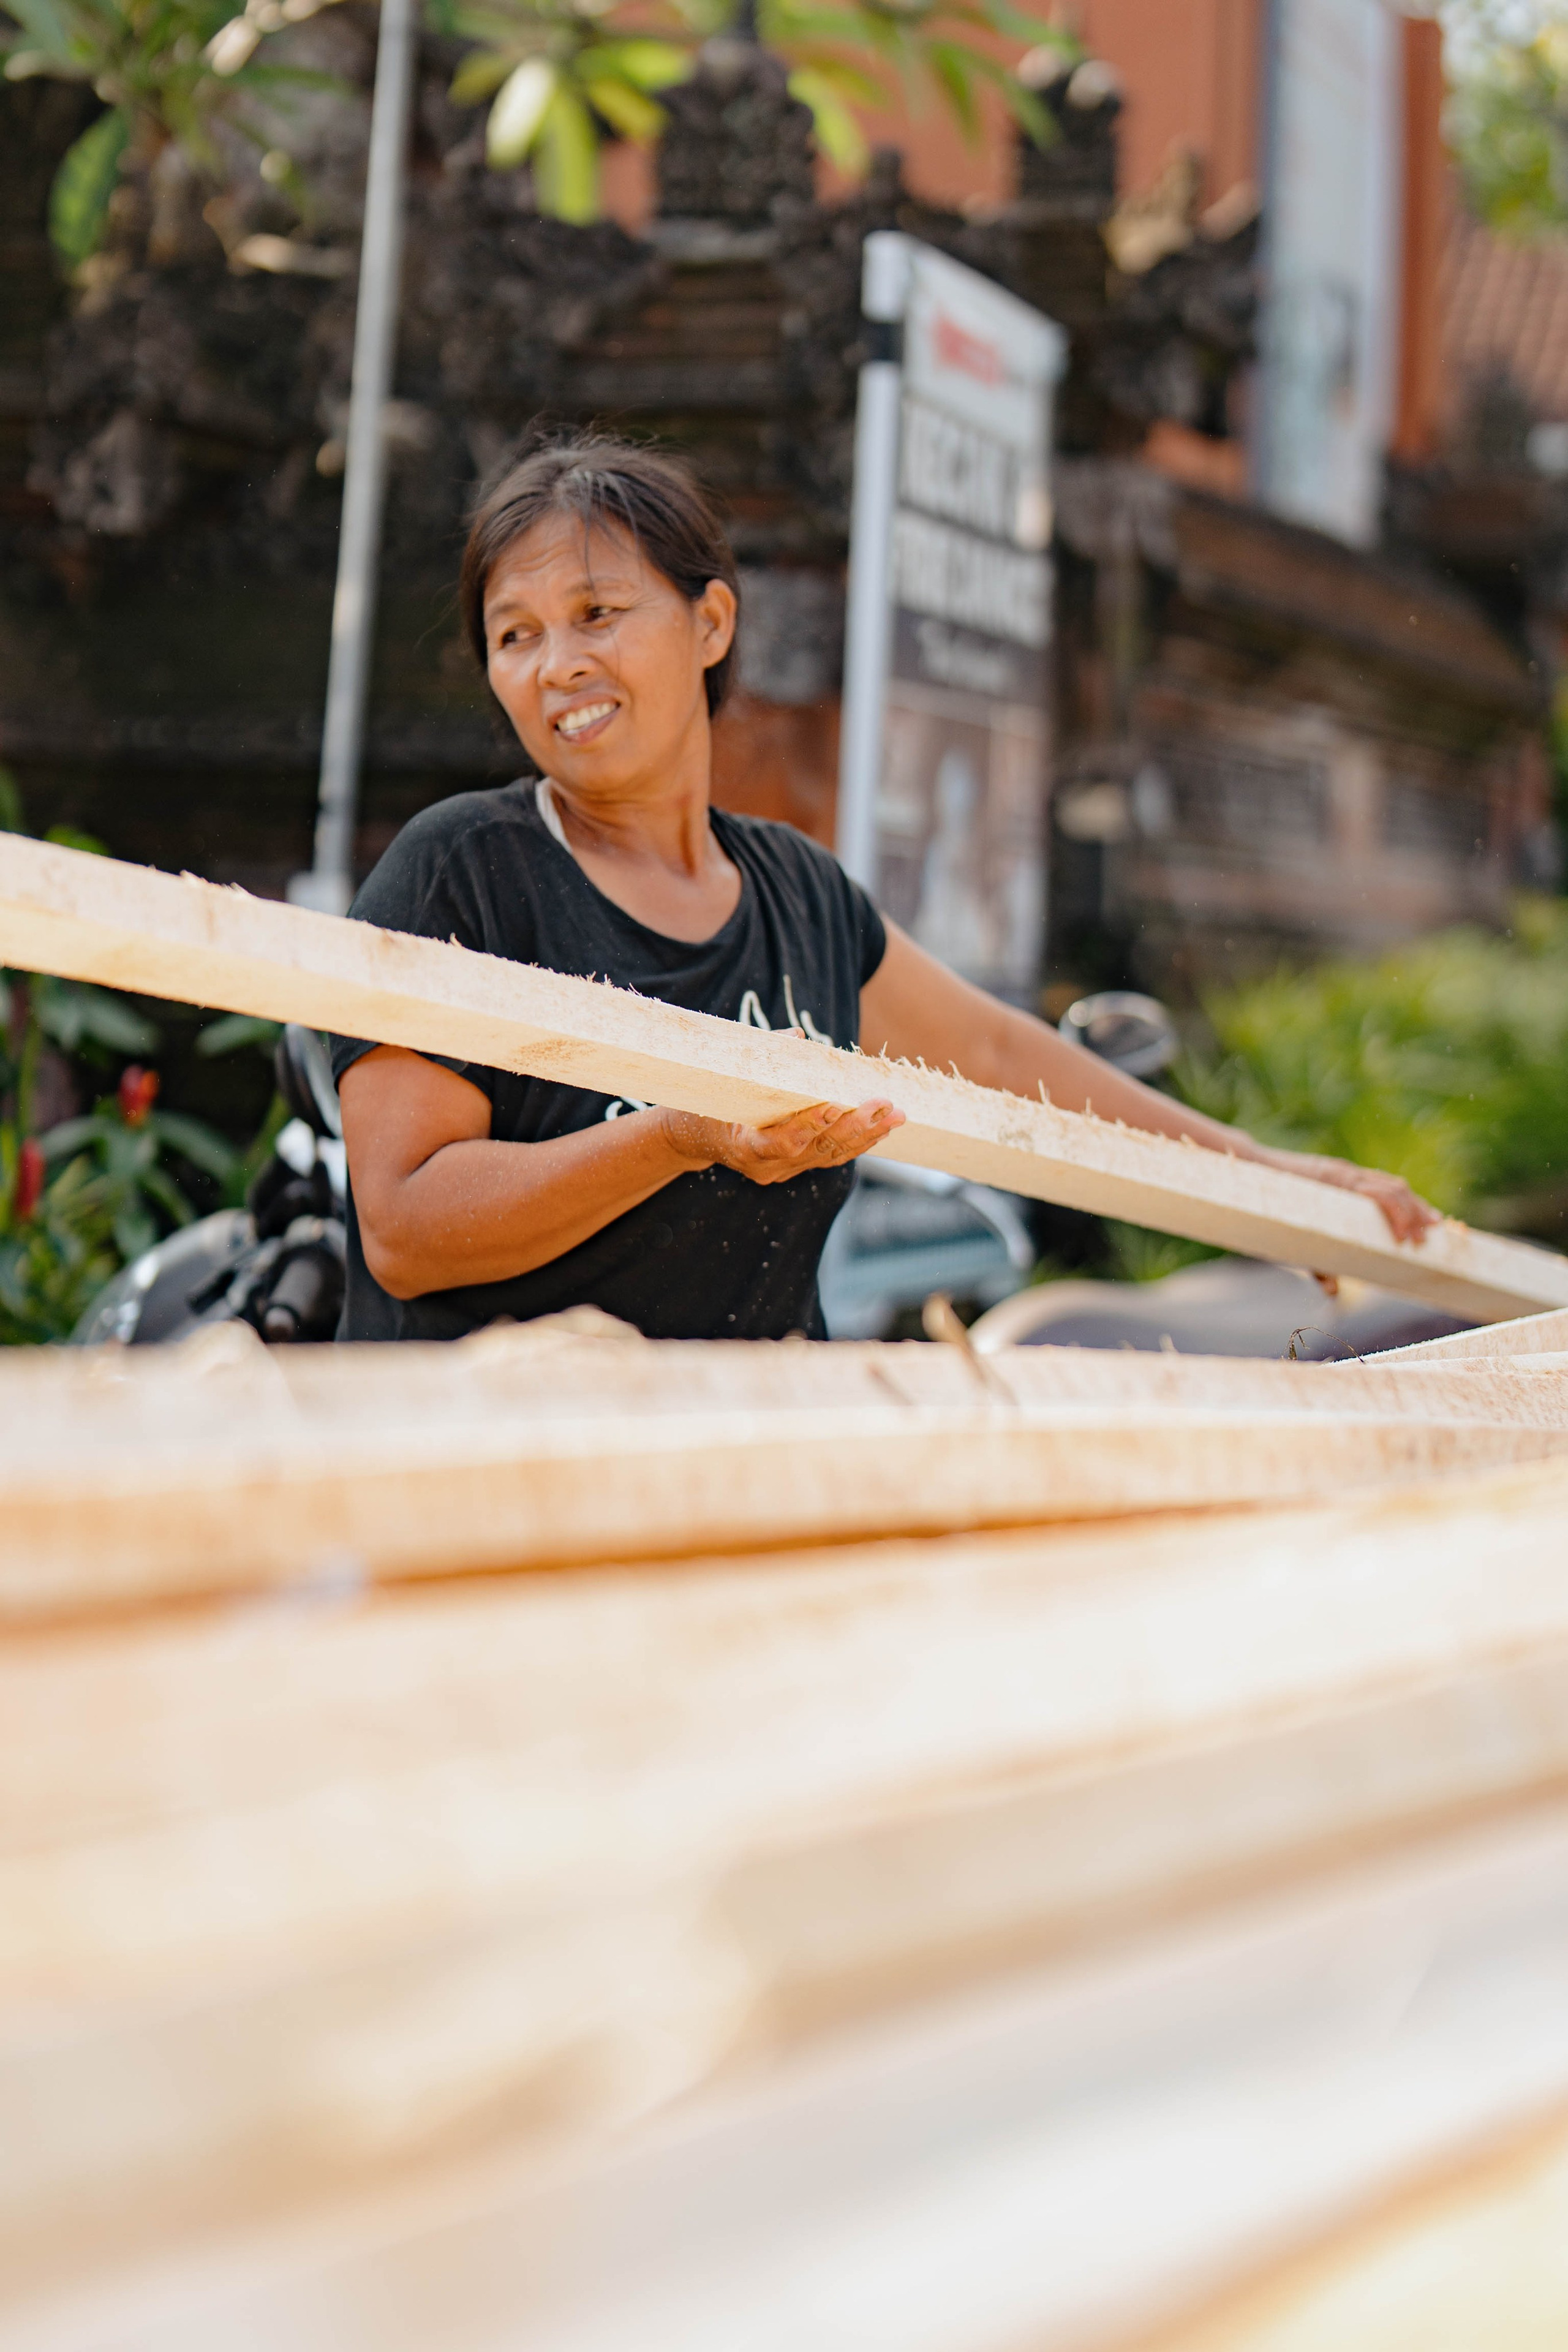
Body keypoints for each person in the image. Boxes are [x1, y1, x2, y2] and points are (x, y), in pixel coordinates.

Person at [332, 434, 1436, 1344]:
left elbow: (1001, 1060)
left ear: (710, 623)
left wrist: (1262, 1182)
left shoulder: (799, 895)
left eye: (597, 614)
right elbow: (407, 1228)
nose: (556, 662)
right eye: (513, 635)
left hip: (748, 1490)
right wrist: (675, 1137)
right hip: (486, 1498)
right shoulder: (463, 873)